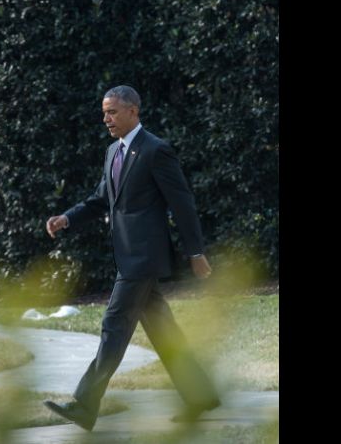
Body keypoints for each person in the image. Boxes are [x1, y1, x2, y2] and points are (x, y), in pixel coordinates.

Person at [43, 85, 220, 431]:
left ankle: (84, 404)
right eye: (104, 112)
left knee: (113, 325)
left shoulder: (156, 150)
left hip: (143, 259)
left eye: (112, 111)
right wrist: (67, 217)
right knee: (163, 330)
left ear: (133, 111)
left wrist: (195, 252)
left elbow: (183, 204)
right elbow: (100, 199)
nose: (105, 118)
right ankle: (201, 395)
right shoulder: (113, 152)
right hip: (127, 257)